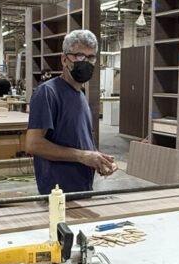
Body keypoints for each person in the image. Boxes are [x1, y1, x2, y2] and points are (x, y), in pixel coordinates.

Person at [25, 29, 116, 194]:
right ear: (64, 59)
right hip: (58, 191)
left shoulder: (81, 95)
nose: (86, 62)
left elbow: (78, 139)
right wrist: (82, 156)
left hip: (81, 187)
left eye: (91, 57)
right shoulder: (48, 93)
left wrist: (97, 158)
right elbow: (33, 145)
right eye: (79, 56)